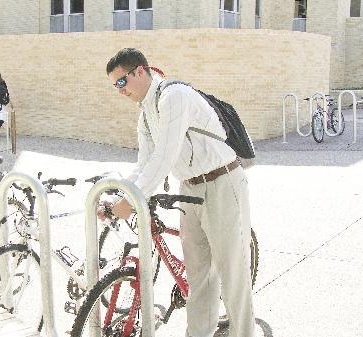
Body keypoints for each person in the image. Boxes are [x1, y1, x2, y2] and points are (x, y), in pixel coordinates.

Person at [102, 48, 256, 337]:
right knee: (199, 278)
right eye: (115, 86)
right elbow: (144, 165)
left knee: (232, 275)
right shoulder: (145, 115)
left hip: (222, 182)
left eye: (121, 82)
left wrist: (130, 202)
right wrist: (119, 198)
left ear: (139, 71)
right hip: (189, 189)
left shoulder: (174, 96)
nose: (119, 91)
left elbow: (164, 159)